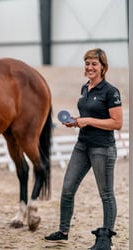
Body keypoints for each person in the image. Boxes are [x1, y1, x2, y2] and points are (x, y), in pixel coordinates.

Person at [44, 48, 122, 249]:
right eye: (87, 63)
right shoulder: (84, 88)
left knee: (106, 194)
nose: (89, 67)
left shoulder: (111, 91)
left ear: (103, 67)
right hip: (82, 145)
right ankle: (63, 231)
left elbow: (116, 123)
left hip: (102, 148)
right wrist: (76, 121)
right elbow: (88, 117)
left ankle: (106, 239)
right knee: (68, 188)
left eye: (94, 64)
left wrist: (88, 120)